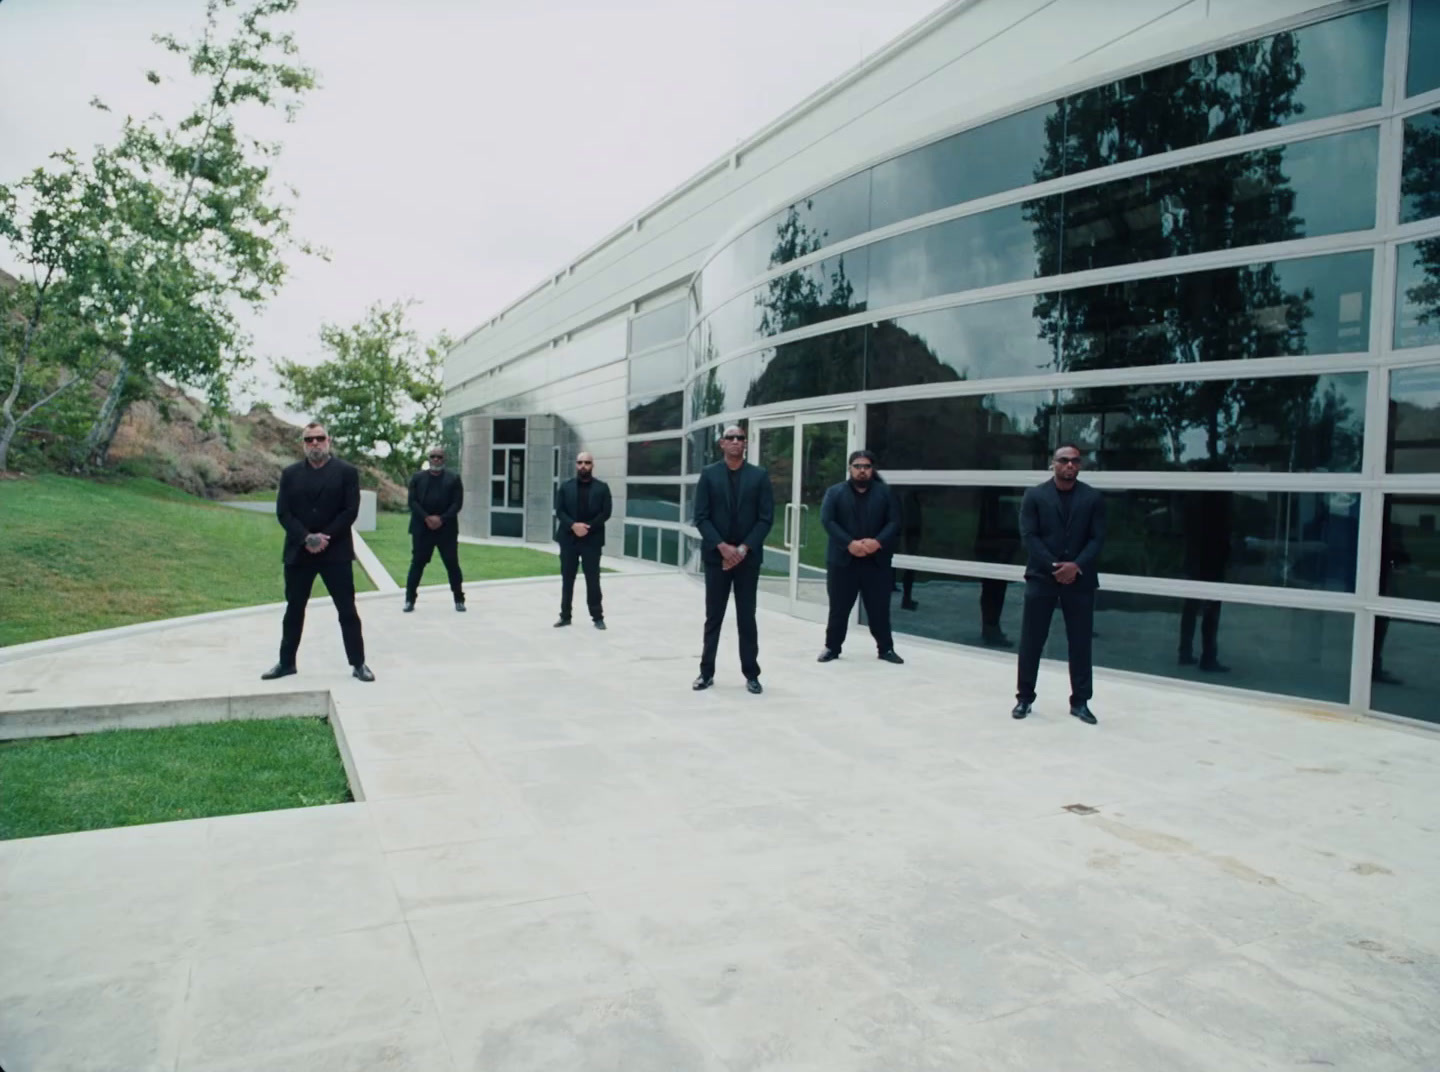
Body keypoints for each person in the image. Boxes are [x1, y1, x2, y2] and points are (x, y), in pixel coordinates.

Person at [263, 422, 373, 682]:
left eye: (319, 438)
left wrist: (325, 537)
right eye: (309, 439)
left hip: (336, 552)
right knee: (294, 610)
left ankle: (358, 663)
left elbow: (350, 511)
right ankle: (286, 663)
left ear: (328, 441)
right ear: (303, 444)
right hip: (299, 553)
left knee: (347, 610)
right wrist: (305, 538)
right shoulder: (290, 474)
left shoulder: (347, 472)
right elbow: (283, 512)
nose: (315, 443)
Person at [1013, 444, 1105, 724]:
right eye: (1064, 460)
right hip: (1043, 577)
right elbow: (1029, 536)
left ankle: (1080, 702)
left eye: (1075, 461)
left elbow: (1097, 538)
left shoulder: (1093, 498)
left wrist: (1076, 566)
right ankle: (1024, 698)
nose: (1070, 465)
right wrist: (1055, 567)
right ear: (1052, 463)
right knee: (1032, 640)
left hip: (1080, 580)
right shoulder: (1035, 496)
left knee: (1080, 643)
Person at [692, 424, 774, 694]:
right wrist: (722, 547)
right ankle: (706, 673)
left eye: (740, 438)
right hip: (717, 560)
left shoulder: (759, 476)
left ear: (745, 444)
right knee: (713, 616)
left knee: (746, 618)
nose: (736, 442)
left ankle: (751, 674)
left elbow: (765, 519)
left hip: (747, 560)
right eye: (731, 438)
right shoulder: (709, 475)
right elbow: (701, 517)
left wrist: (743, 549)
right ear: (722, 444)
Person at [817, 450, 905, 664]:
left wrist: (877, 542)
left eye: (866, 466)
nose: (862, 470)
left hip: (876, 563)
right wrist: (849, 544)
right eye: (857, 466)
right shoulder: (835, 492)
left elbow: (894, 521)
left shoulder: (885, 493)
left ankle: (886, 649)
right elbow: (828, 521)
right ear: (850, 468)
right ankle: (832, 647)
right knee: (839, 608)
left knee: (879, 609)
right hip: (843, 562)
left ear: (872, 469)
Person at [553, 451, 612, 629]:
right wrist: (573, 526)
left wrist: (587, 528)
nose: (583, 466)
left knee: (593, 579)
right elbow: (560, 511)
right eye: (580, 462)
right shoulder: (566, 486)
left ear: (592, 465)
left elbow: (606, 512)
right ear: (576, 465)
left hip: (591, 540)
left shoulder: (602, 488)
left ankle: (597, 617)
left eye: (587, 462)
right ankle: (565, 615)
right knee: (567, 578)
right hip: (568, 539)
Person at [403, 445, 466, 613]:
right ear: (429, 459)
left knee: (452, 564)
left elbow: (457, 503)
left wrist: (441, 519)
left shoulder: (454, 479)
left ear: (444, 460)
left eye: (439, 457)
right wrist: (426, 518)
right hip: (422, 529)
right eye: (433, 456)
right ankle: (409, 600)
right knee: (417, 564)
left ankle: (459, 599)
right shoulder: (417, 478)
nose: (436, 459)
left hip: (447, 530)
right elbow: (412, 502)